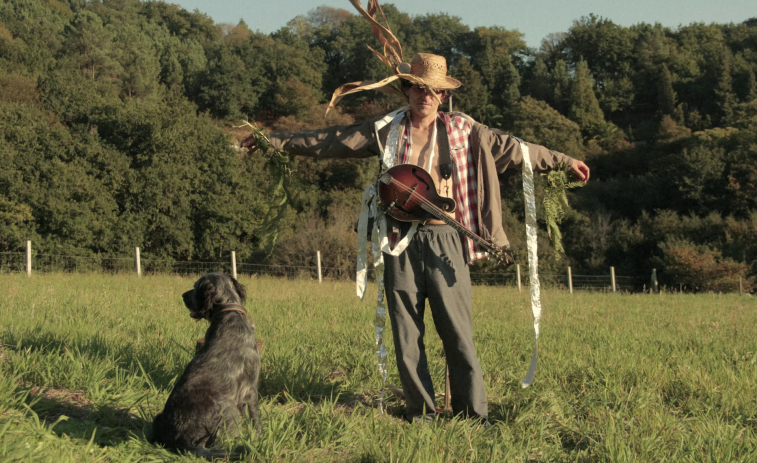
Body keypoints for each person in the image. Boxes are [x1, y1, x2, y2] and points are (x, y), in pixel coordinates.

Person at [242, 52, 590, 425]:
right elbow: (330, 140)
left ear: (442, 96)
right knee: (407, 333)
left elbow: (517, 149)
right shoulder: (386, 130)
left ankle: (472, 414)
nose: (425, 95)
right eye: (418, 87)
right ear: (407, 89)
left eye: (433, 90)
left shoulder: (466, 131)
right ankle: (420, 412)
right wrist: (272, 141)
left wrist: (564, 161)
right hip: (398, 239)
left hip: (447, 240)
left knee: (458, 332)